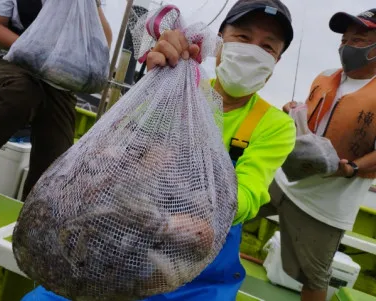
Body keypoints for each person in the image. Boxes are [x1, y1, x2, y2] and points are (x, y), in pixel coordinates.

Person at [21, 0, 296, 300]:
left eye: (268, 47)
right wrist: (158, 77)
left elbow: (249, 193)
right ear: (218, 43)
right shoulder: (183, 89)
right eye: (243, 37)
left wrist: (192, 221)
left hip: (202, 272)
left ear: (276, 61)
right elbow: (128, 150)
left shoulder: (275, 124)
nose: (253, 51)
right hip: (122, 245)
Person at [262, 8, 376, 301]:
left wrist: (350, 167)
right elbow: (313, 121)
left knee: (313, 278)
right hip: (282, 181)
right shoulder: (325, 76)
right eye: (344, 38)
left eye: (359, 40)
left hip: (325, 206)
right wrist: (293, 113)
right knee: (231, 214)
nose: (347, 46)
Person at [0, 0, 112, 201]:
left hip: (58, 82)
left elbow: (103, 41)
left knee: (55, 162)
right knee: (21, 92)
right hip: (15, 64)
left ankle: (36, 210)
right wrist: (38, 52)